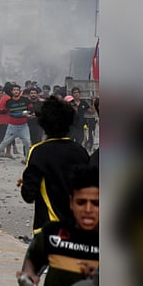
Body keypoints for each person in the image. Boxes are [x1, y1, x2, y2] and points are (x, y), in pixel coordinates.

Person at [17, 165, 99, 286]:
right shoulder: (53, 234)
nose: (88, 209)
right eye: (81, 202)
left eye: (96, 203)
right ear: (71, 202)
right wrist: (28, 277)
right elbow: (31, 260)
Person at [19, 97, 90, 234]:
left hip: (48, 226)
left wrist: (26, 181)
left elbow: (28, 195)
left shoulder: (38, 151)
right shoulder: (80, 152)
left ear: (43, 124)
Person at [0, 83, 33, 165]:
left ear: (19, 91)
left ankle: (27, 159)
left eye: (17, 90)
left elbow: (31, 108)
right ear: (12, 91)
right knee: (4, 142)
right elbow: (8, 112)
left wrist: (29, 113)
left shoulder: (25, 100)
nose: (16, 91)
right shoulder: (9, 102)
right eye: (14, 90)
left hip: (23, 126)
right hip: (12, 126)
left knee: (28, 142)